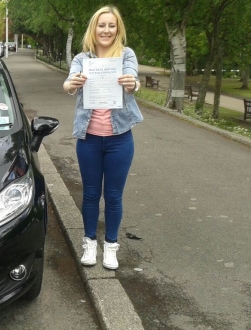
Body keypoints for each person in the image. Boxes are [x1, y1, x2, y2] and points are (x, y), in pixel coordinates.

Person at [62, 5, 143, 270]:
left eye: (111, 25)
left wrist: (133, 84)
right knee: (90, 195)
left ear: (117, 29)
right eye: (101, 25)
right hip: (89, 139)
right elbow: (68, 82)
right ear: (93, 28)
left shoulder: (125, 55)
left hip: (120, 139)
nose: (106, 30)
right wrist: (71, 83)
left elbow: (133, 78)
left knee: (114, 196)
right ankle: (89, 243)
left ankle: (111, 246)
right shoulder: (82, 58)